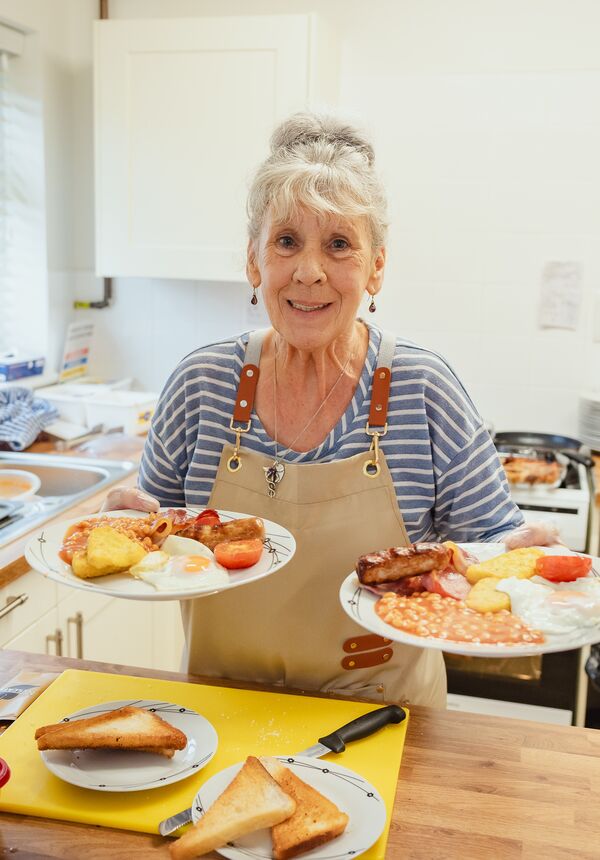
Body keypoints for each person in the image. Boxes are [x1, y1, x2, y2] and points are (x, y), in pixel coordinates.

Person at [103, 112, 560, 708]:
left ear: (375, 267)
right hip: (221, 711)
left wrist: (521, 551)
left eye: (339, 244)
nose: (309, 271)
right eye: (286, 241)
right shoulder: (201, 384)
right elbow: (153, 541)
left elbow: (489, 555)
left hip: (386, 716)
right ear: (253, 262)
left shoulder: (422, 388)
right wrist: (119, 527)